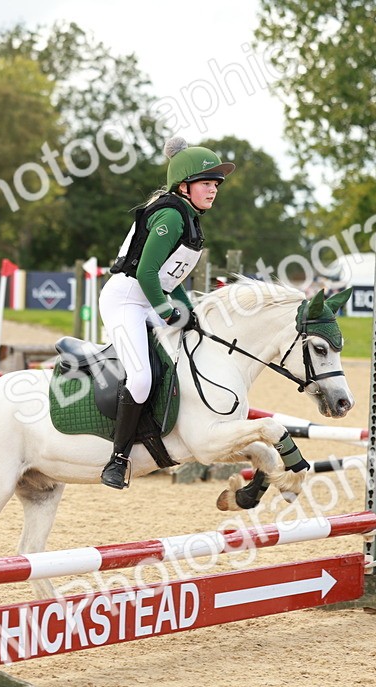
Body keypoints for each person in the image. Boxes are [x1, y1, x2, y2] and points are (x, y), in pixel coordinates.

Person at [97, 137, 235, 489]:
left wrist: (191, 314)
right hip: (126, 299)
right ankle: (118, 459)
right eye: (207, 183)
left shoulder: (190, 220)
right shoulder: (172, 216)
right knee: (141, 378)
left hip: (151, 297)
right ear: (184, 185)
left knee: (197, 346)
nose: (213, 190)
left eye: (216, 184)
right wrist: (168, 312)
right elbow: (145, 273)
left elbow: (169, 280)